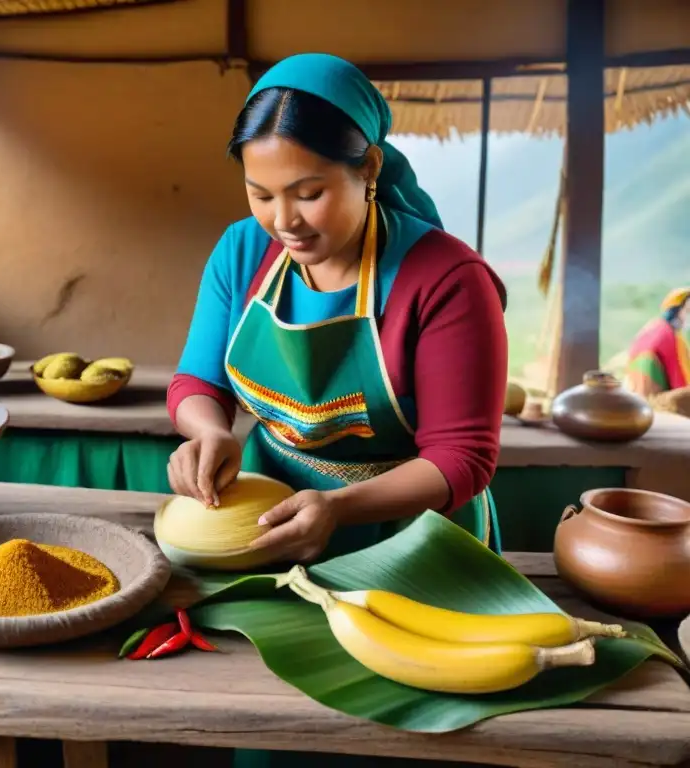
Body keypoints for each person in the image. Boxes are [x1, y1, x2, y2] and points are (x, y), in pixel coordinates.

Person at [165, 53, 509, 768]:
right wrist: (206, 432)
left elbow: (460, 458)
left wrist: (339, 510)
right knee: (265, 726)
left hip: (405, 536)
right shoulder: (241, 250)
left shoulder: (444, 278)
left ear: (370, 167)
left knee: (397, 734)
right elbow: (198, 379)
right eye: (259, 193)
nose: (282, 220)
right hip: (264, 519)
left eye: (308, 192)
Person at [625, 287, 690, 397]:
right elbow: (681, 381)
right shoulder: (670, 336)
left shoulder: (652, 327)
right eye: (688, 311)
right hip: (657, 399)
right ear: (676, 310)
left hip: (635, 397)